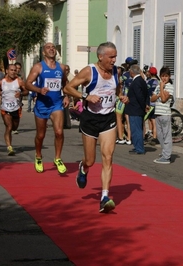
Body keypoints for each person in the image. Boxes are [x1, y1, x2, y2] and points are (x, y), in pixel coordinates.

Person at [63, 42, 124, 213]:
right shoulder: (89, 71)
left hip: (108, 119)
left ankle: (104, 197)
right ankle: (84, 167)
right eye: (111, 57)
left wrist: (121, 96)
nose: (114, 60)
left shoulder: (116, 72)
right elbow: (68, 87)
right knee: (91, 160)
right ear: (100, 56)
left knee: (108, 157)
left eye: (115, 56)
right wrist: (86, 96)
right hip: (90, 119)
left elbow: (117, 88)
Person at [25, 42, 69, 174]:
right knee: (40, 135)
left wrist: (66, 96)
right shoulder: (38, 67)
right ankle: (38, 156)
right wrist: (39, 90)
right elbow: (27, 84)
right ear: (44, 52)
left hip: (56, 104)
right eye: (48, 48)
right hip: (42, 105)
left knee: (59, 132)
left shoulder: (61, 68)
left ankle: (57, 158)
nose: (51, 49)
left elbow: (65, 83)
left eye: (53, 47)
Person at [0, 64, 28, 155]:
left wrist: (21, 94)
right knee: (9, 127)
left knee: (14, 127)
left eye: (15, 70)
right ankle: (9, 147)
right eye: (11, 70)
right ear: (7, 71)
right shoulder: (2, 82)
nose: (13, 72)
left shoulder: (19, 82)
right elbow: (0, 90)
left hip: (16, 108)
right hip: (5, 108)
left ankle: (10, 142)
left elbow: (26, 91)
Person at [150, 66, 174, 164]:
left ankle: (166, 157)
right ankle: (165, 152)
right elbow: (152, 99)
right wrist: (159, 93)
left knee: (166, 135)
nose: (164, 78)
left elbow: (164, 100)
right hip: (158, 113)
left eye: (166, 76)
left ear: (169, 77)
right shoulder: (158, 86)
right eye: (162, 76)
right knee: (160, 136)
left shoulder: (169, 87)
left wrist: (161, 89)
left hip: (165, 114)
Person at [124, 64, 148, 154]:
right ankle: (137, 146)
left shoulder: (137, 81)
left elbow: (139, 96)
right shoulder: (141, 80)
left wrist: (143, 106)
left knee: (136, 129)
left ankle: (139, 148)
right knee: (136, 129)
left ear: (132, 72)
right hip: (137, 109)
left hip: (136, 109)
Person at [145, 66, 159, 142]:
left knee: (151, 120)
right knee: (152, 119)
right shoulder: (158, 82)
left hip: (151, 103)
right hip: (156, 103)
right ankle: (152, 134)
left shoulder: (148, 82)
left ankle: (154, 136)